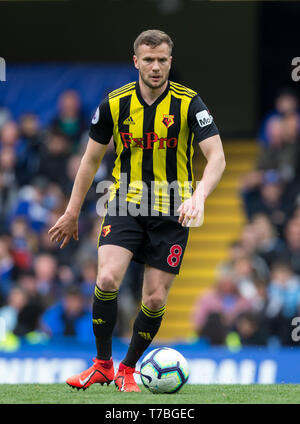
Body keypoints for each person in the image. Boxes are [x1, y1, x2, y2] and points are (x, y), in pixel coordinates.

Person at [48, 29, 225, 392]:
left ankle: (128, 368)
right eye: (149, 60)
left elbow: (217, 157)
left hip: (174, 210)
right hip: (126, 203)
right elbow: (89, 159)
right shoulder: (114, 104)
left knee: (155, 298)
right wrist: (71, 211)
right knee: (108, 279)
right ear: (136, 62)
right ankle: (101, 364)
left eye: (162, 60)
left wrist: (200, 195)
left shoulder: (190, 103)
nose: (156, 67)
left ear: (170, 62)